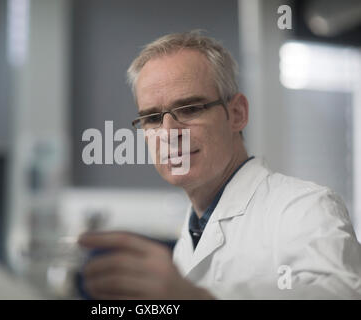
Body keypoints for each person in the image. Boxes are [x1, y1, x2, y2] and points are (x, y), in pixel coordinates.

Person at [78, 31, 361, 299]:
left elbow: (339, 292)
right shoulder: (189, 238)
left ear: (236, 114)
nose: (168, 133)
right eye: (152, 118)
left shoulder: (304, 208)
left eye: (189, 109)